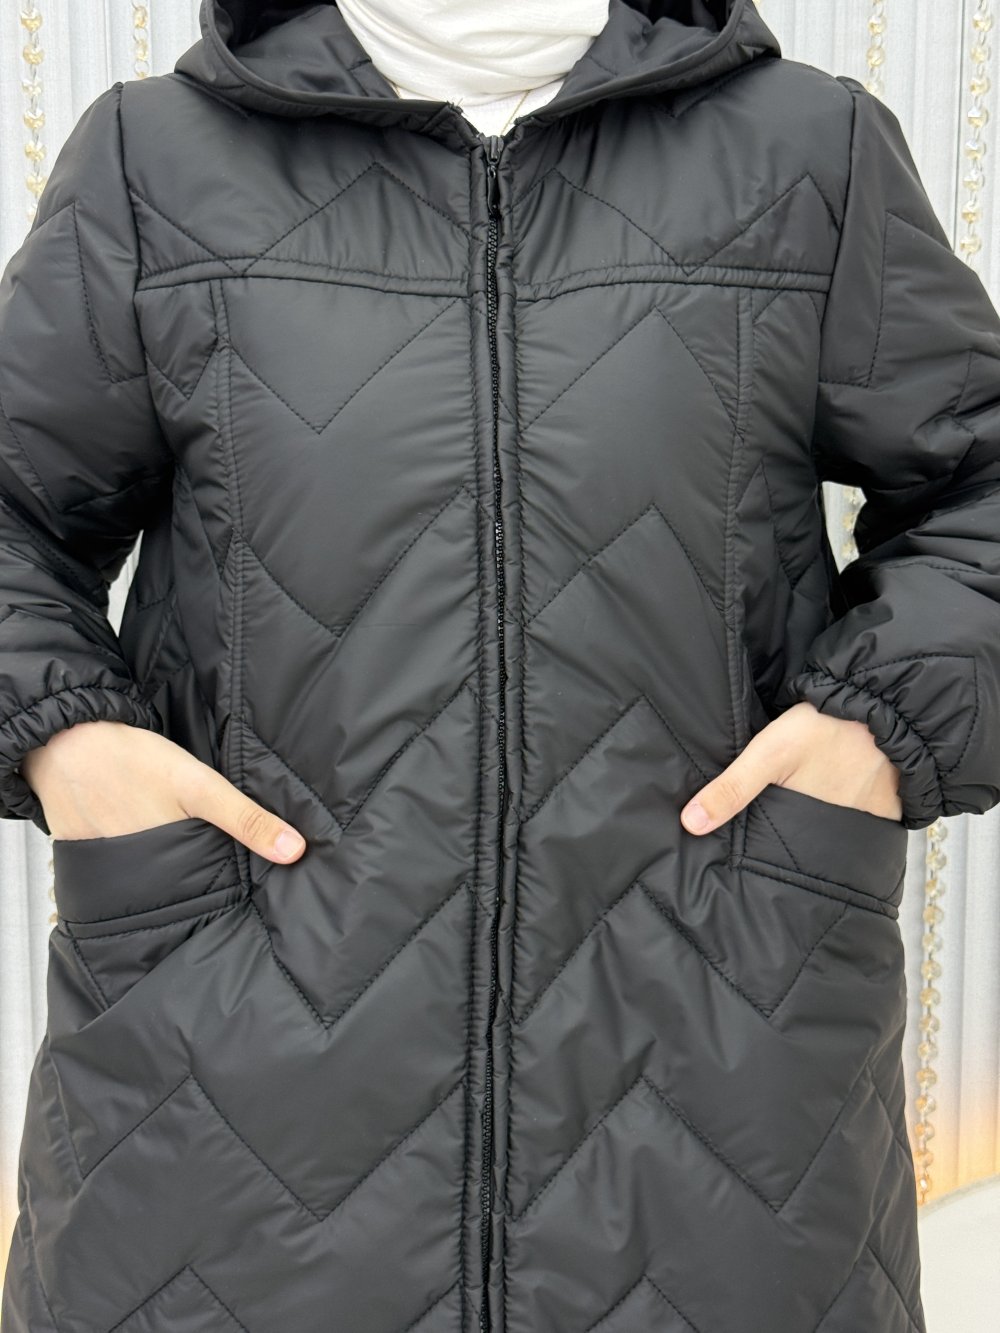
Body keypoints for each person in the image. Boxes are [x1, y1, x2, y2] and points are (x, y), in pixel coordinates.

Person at [1, 1, 997, 1329]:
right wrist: (67, 739)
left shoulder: (810, 150)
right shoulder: (155, 160)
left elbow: (980, 485)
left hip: (723, 1066)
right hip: (222, 1073)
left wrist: (878, 730)